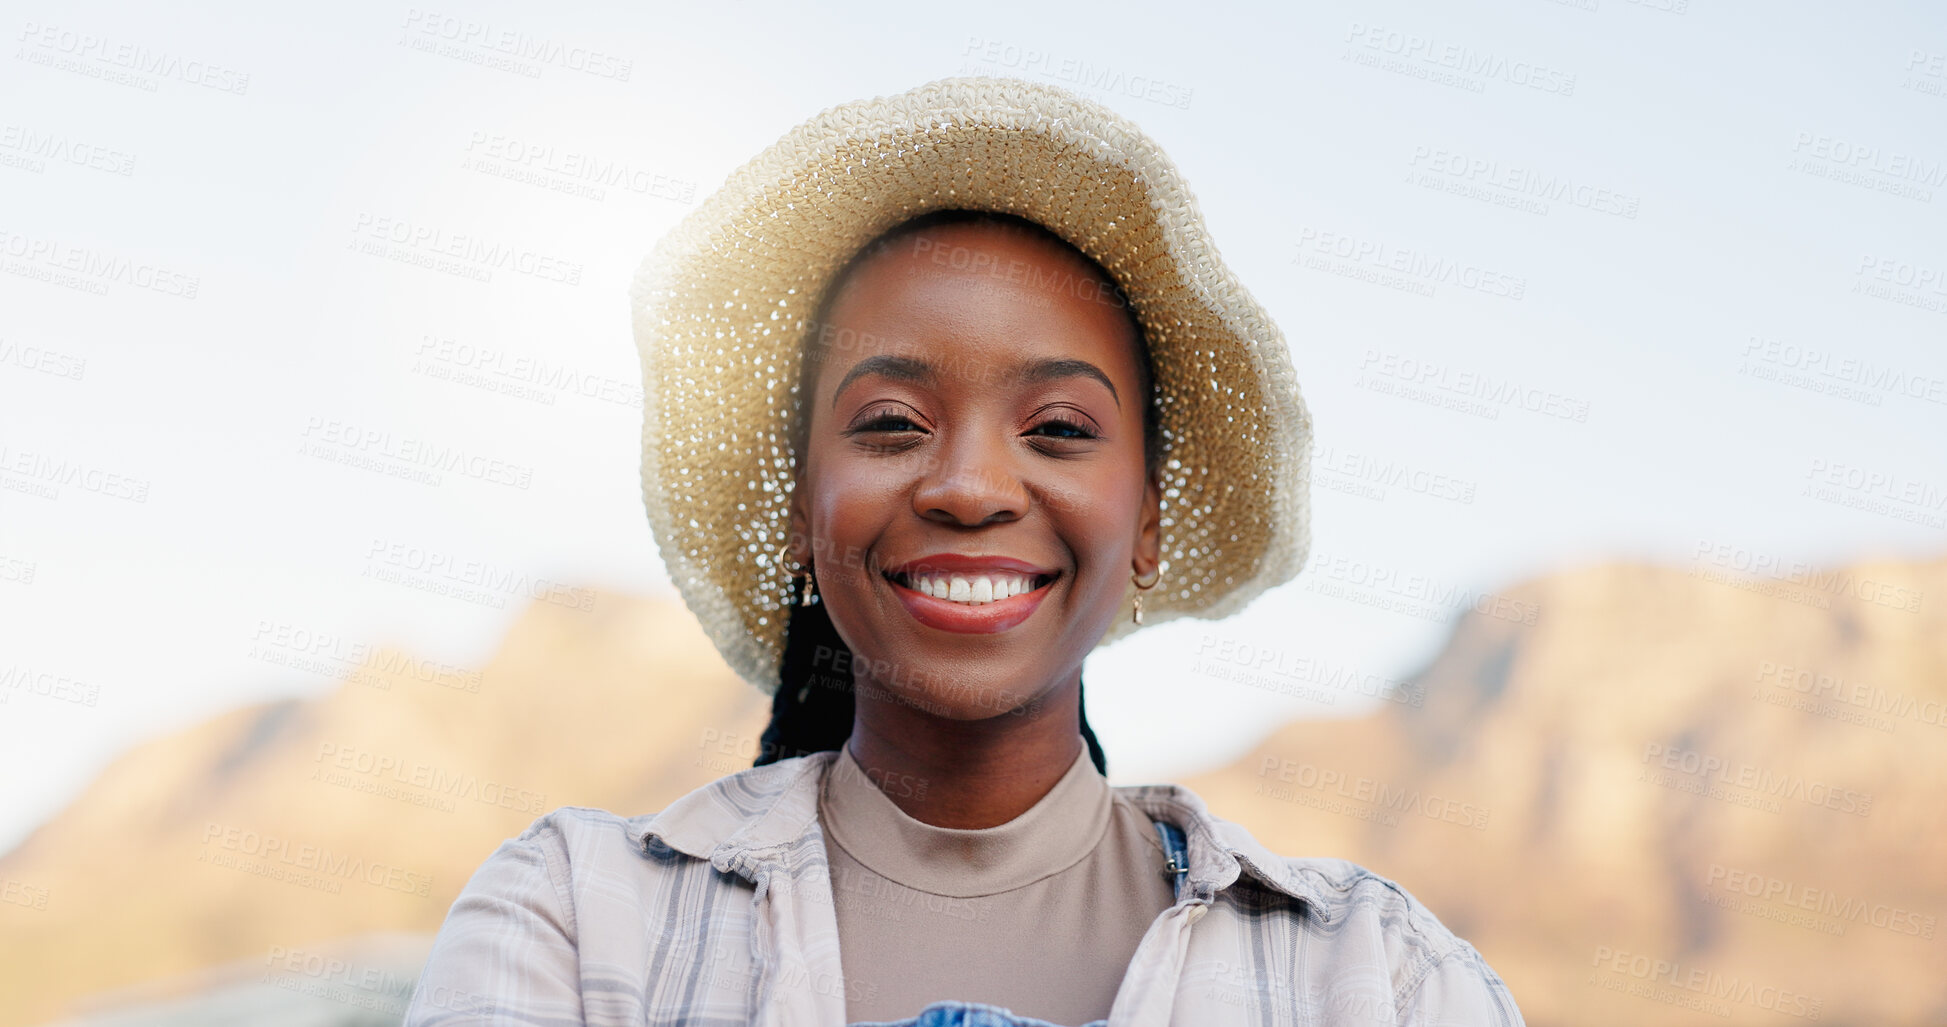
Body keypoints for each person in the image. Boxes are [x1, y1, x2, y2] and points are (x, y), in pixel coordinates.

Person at [403, 77, 1523, 1027]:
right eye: (891, 421)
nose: (971, 486)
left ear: (1148, 522)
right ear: (801, 507)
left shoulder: (1373, 975)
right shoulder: (572, 915)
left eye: (1060, 430)